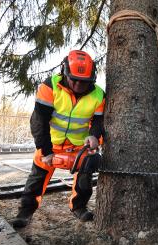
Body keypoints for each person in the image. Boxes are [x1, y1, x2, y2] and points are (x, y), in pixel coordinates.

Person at [11, 50, 105, 228]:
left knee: (85, 181)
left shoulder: (99, 95)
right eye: (74, 80)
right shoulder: (50, 87)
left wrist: (94, 135)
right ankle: (25, 212)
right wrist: (45, 151)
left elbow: (99, 121)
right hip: (50, 143)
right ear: (64, 72)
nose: (78, 85)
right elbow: (39, 121)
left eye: (84, 82)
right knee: (36, 179)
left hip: (80, 146)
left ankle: (79, 207)